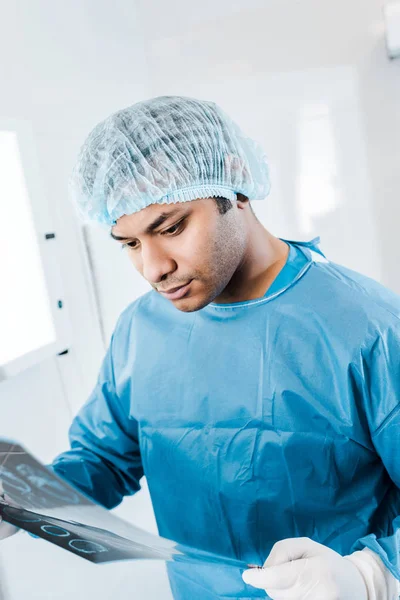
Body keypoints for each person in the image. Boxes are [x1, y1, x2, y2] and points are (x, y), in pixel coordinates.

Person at [2, 96, 400, 599]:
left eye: (170, 228)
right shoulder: (142, 329)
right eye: (128, 243)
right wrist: (20, 496)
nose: (153, 268)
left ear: (234, 186)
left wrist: (370, 575)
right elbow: (102, 458)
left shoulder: (369, 328)